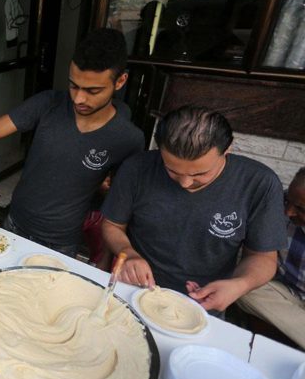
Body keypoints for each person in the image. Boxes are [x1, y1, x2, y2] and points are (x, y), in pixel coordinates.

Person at [0, 28, 145, 257]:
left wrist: (104, 259)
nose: (79, 98)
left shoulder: (128, 138)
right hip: (13, 224)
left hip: (61, 244)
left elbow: (119, 205)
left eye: (93, 91)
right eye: (74, 85)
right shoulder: (48, 104)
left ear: (120, 81)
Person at [101, 106, 288, 312]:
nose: (185, 183)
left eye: (200, 173)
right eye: (171, 169)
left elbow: (262, 257)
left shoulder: (259, 183)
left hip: (203, 302)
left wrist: (239, 285)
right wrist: (127, 253)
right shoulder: (137, 168)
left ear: (227, 149)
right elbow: (112, 225)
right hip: (132, 289)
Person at [237, 167, 305, 348]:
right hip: (283, 293)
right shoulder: (274, 205)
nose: (288, 212)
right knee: (242, 285)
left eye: (300, 208)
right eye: (287, 200)